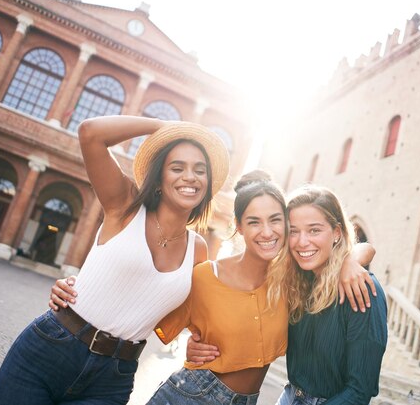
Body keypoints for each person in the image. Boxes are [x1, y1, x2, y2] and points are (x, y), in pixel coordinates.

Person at [49, 171, 376, 405]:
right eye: (254, 222)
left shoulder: (290, 283)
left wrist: (351, 258)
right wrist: (80, 291)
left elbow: (350, 254)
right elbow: (145, 303)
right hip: (192, 393)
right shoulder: (210, 275)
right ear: (239, 227)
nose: (269, 232)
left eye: (277, 220)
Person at [0, 115, 230, 405]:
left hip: (112, 379)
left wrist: (195, 343)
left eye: (199, 170)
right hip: (51, 347)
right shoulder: (126, 205)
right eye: (177, 167)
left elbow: (190, 316)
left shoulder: (198, 250)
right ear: (159, 179)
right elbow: (91, 133)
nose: (190, 176)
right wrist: (164, 127)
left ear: (207, 183)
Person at [190, 185, 388, 404]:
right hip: (288, 396)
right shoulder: (295, 284)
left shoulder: (362, 289)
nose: (302, 242)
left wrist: (351, 259)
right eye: (293, 231)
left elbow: (360, 391)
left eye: (314, 230)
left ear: (337, 232)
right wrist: (202, 345)